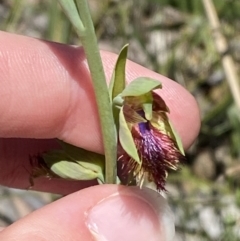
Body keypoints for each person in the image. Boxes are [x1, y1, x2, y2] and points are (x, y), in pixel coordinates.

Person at [0, 31, 200, 240]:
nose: (146, 112)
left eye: (148, 107)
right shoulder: (127, 113)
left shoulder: (134, 114)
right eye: (142, 107)